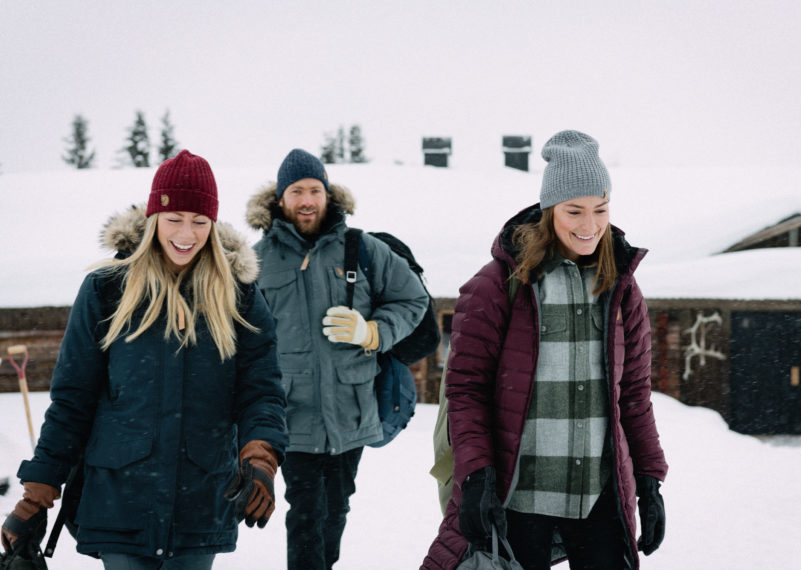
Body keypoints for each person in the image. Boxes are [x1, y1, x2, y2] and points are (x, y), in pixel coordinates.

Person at [1, 150, 288, 570]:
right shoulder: (106, 290)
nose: (186, 234)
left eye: (199, 222)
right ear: (155, 218)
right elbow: (72, 400)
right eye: (174, 220)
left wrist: (260, 457)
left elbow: (261, 390)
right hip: (121, 499)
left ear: (213, 223)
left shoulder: (239, 296)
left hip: (202, 498)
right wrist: (36, 495)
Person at [422, 131, 668, 570]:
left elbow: (633, 395)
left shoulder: (622, 289)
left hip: (598, 496)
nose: (589, 225)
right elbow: (467, 391)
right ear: (550, 210)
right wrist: (476, 473)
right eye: (575, 211)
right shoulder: (498, 285)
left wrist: (649, 480)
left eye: (600, 210)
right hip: (521, 496)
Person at [246, 148, 430, 569]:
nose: (307, 200)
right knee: (306, 513)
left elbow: (413, 299)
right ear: (280, 199)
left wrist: (373, 332)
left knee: (337, 507)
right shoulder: (256, 260)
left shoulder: (360, 248)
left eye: (315, 189)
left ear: (328, 194)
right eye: (296, 191)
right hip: (292, 413)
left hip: (351, 407)